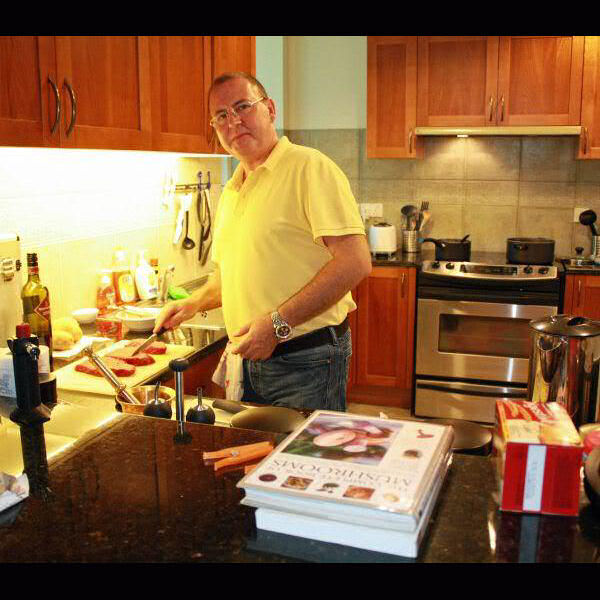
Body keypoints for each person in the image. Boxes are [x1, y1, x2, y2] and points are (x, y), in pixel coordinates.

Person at [154, 72, 372, 411]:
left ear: (270, 109)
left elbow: (355, 262)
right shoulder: (233, 188)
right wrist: (192, 304)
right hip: (251, 360)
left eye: (243, 106)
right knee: (255, 447)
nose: (233, 122)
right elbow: (232, 276)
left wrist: (276, 325)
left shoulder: (309, 167)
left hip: (307, 360)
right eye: (221, 115)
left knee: (303, 448)